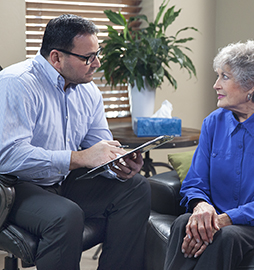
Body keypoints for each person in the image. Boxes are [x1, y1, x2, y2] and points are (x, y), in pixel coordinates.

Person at [0, 14, 151, 270]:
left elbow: (99, 147)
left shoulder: (88, 90)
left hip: (63, 180)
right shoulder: (17, 84)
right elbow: (8, 157)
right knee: (66, 215)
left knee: (136, 188)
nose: (97, 63)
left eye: (97, 53)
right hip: (14, 187)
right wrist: (78, 158)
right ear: (56, 58)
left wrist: (118, 164)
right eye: (87, 58)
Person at [164, 40, 254, 270]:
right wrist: (201, 207)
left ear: (250, 85)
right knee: (183, 223)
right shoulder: (213, 123)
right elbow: (195, 181)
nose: (215, 85)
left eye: (224, 77)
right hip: (220, 218)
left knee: (224, 236)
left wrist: (223, 219)